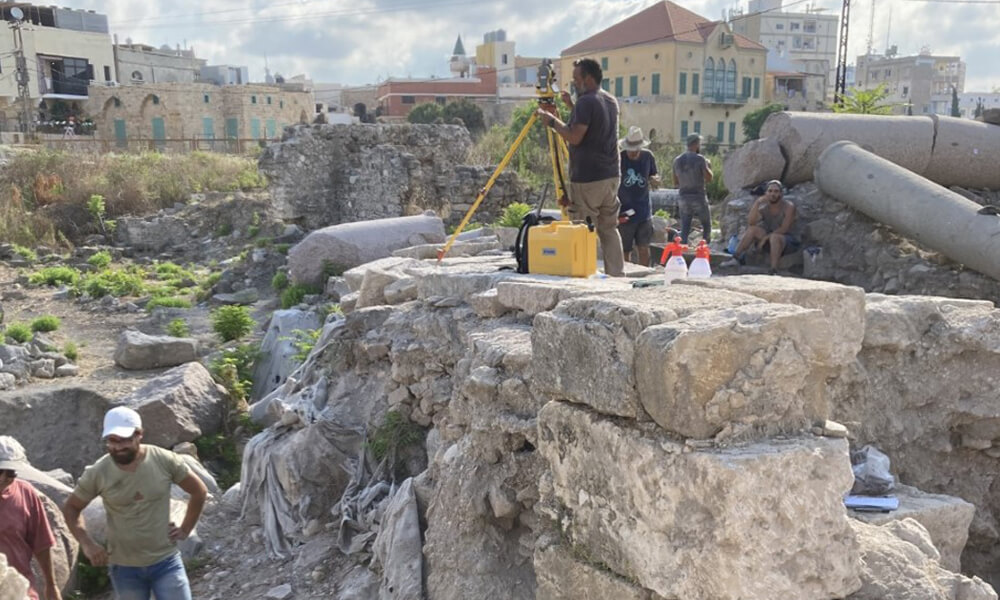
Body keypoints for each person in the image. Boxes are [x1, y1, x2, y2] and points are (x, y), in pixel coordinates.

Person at [62, 407, 208, 600]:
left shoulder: (164, 460)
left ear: (139, 434)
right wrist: (88, 544)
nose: (118, 447)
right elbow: (71, 508)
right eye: (113, 440)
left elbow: (199, 491)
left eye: (125, 440)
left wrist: (185, 529)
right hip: (124, 568)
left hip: (166, 561)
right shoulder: (99, 472)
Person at [536, 57, 626, 277]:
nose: (573, 83)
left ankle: (583, 274)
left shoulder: (586, 102)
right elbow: (593, 124)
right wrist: (571, 108)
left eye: (576, 78)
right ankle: (617, 275)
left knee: (582, 229)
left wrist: (551, 121)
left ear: (587, 78)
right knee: (608, 228)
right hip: (611, 175)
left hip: (589, 179)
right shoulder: (609, 100)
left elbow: (575, 137)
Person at [0, 437, 61, 600]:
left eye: (12, 472)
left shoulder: (25, 492)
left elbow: (41, 543)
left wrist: (51, 585)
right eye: (1, 471)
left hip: (18, 590)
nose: (6, 478)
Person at [727, 180, 800, 274]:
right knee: (753, 230)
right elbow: (751, 222)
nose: (773, 194)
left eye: (776, 191)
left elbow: (784, 228)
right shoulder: (764, 207)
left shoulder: (789, 207)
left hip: (786, 241)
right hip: (769, 238)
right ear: (766, 193)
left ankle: (774, 269)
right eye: (770, 191)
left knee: (775, 237)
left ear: (781, 193)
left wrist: (765, 238)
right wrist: (757, 203)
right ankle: (735, 258)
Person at [617, 126, 660, 266]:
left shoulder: (648, 156)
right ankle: (624, 276)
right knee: (625, 250)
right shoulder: (620, 158)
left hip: (643, 210)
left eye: (637, 150)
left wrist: (655, 179)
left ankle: (643, 275)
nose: (634, 153)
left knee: (644, 247)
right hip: (624, 211)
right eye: (631, 150)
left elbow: (654, 174)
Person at [672, 133, 714, 245]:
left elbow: (675, 182)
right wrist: (708, 166)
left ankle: (683, 251)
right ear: (696, 144)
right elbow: (709, 178)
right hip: (698, 196)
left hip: (683, 197)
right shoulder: (700, 159)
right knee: (706, 225)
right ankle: (705, 250)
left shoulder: (677, 160)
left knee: (685, 228)